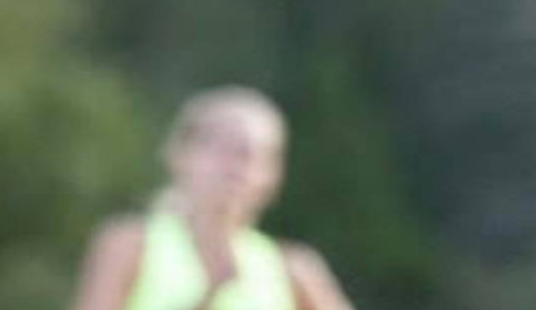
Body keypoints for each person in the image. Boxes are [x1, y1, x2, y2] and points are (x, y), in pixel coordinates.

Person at [67, 88, 355, 310]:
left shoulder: (294, 269)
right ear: (179, 155)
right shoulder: (129, 245)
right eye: (219, 147)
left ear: (273, 175)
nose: (235, 167)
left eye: (250, 155)